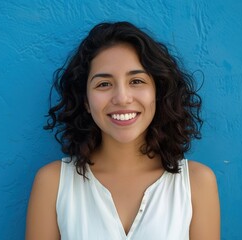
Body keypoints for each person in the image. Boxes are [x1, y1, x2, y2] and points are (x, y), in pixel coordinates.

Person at [25, 21, 220, 240]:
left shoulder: (197, 183)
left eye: (136, 81)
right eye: (104, 84)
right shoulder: (53, 183)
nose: (122, 98)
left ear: (158, 93)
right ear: (86, 101)